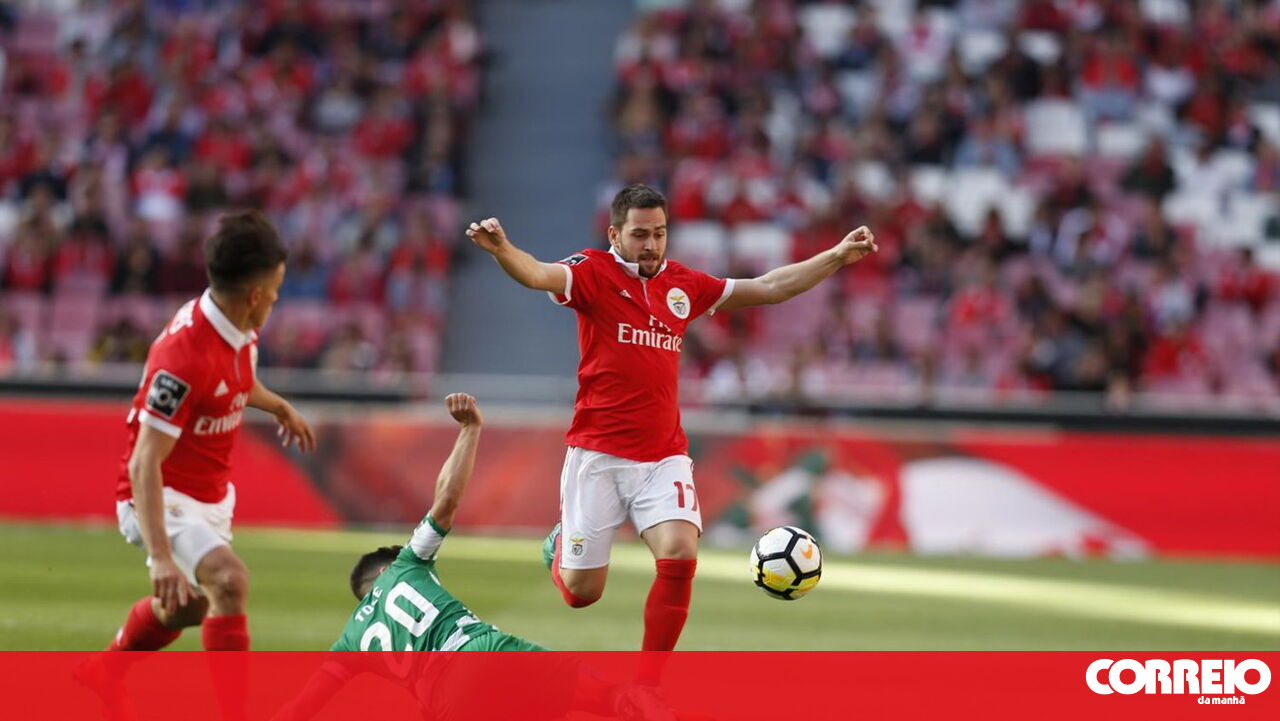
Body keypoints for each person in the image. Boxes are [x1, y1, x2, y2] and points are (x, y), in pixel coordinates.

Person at [465, 184, 876, 672]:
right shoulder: (592, 272)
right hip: (598, 455)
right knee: (581, 594)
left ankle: (648, 686)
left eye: (659, 233)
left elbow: (769, 287)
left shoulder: (684, 285)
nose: (652, 245)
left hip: (663, 456)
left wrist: (836, 255)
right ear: (615, 235)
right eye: (640, 234)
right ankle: (560, 546)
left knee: (680, 554)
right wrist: (503, 250)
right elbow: (537, 273)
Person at [272, 394, 678, 721]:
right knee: (610, 699)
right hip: (482, 651)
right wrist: (470, 429)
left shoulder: (350, 641)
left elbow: (301, 708)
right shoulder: (405, 564)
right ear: (384, 567)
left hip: (444, 700)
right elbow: (446, 501)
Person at [106, 209, 316, 655]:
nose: (276, 300)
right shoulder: (182, 357)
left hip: (210, 495)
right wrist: (161, 558)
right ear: (254, 295)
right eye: (275, 291)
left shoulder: (238, 326)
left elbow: (234, 381)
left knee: (189, 608)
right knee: (230, 580)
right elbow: (144, 461)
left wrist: (278, 406)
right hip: (161, 493)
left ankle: (104, 671)